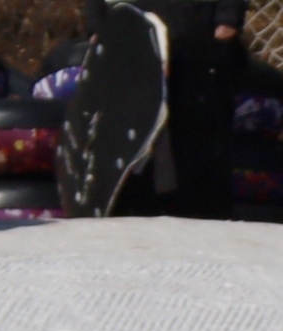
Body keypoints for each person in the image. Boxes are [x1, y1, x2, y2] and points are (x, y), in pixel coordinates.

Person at [81, 0, 243, 220]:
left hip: (194, 41)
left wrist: (228, 18)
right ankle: (129, 205)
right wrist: (96, 25)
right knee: (129, 135)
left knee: (195, 140)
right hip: (129, 36)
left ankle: (199, 210)